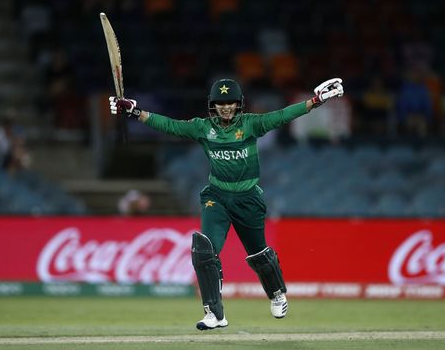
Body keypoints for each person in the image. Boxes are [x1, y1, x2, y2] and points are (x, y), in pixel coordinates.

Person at [109, 77, 344, 330]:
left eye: (230, 103)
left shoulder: (252, 124)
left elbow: (282, 115)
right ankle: (215, 313)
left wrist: (315, 101)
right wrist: (135, 111)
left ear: (239, 103)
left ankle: (276, 293)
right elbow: (170, 125)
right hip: (217, 197)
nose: (226, 108)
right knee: (203, 248)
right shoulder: (203, 128)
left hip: (248, 200)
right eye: (221, 103)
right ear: (213, 105)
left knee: (259, 254)